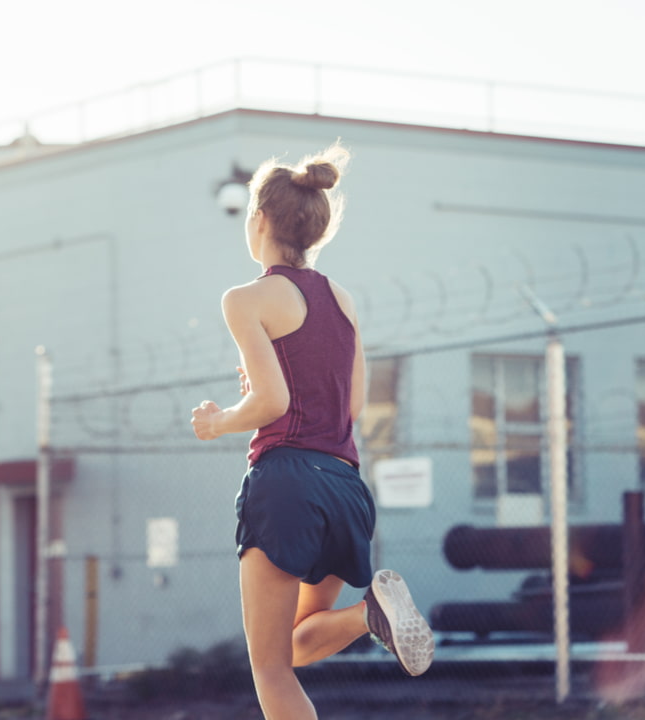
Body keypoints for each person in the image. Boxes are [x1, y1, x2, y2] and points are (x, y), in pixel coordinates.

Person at [191, 143, 434, 719]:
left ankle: (367, 611)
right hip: (345, 486)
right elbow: (349, 405)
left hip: (286, 482)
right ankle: (365, 613)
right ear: (315, 231)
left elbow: (273, 400)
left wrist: (219, 420)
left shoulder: (245, 299)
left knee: (268, 668)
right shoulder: (342, 301)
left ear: (258, 222)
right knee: (296, 646)